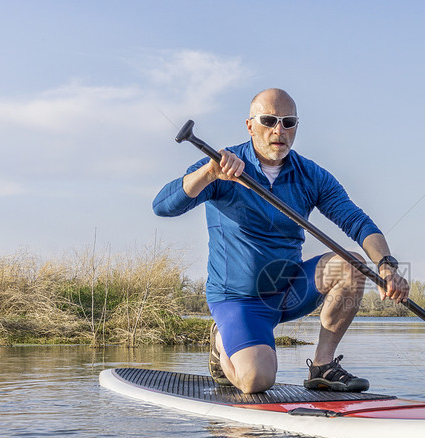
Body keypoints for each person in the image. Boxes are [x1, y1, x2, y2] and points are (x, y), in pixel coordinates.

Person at [153, 88, 409, 394]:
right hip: (239, 301)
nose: (279, 130)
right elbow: (163, 206)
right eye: (269, 120)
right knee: (258, 381)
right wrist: (208, 174)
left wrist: (386, 266)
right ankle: (222, 343)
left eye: (288, 122)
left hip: (290, 291)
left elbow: (357, 221)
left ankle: (322, 366)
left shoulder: (311, 175)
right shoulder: (221, 167)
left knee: (353, 264)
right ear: (250, 125)